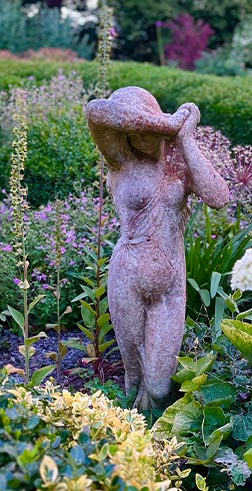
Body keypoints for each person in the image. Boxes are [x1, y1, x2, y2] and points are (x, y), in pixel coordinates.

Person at [85, 86, 229, 409]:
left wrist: (184, 137)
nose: (143, 136)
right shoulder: (120, 160)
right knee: (133, 378)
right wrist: (165, 123)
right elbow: (95, 111)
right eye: (135, 130)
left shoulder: (179, 160)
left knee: (159, 383)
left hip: (168, 289)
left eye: (147, 126)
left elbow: (219, 197)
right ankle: (135, 443)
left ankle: (154, 437)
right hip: (126, 278)